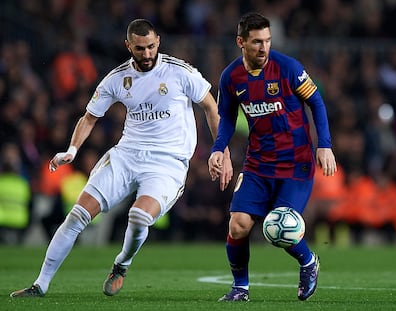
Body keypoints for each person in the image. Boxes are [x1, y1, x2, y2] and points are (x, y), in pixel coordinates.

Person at [10, 18, 232, 298]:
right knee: (77, 215)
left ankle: (121, 265)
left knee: (138, 217)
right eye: (140, 48)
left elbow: (211, 107)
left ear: (158, 42)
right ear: (128, 46)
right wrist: (72, 150)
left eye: (151, 46)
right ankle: (40, 284)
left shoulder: (180, 72)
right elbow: (89, 117)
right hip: (126, 155)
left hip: (168, 162)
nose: (147, 53)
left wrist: (220, 150)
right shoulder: (117, 78)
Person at [208, 12, 337, 302]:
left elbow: (316, 102)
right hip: (258, 164)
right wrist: (219, 148)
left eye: (267, 41)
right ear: (241, 42)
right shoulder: (231, 77)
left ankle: (307, 261)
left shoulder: (288, 68)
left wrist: (324, 145)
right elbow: (227, 116)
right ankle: (241, 288)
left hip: (295, 164)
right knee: (238, 223)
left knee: (278, 227)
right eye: (256, 42)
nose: (264, 48)